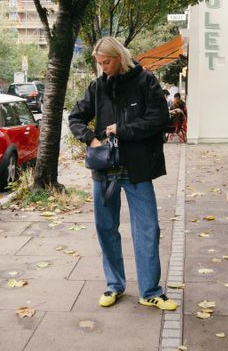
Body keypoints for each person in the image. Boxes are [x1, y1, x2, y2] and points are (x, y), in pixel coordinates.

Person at [69, 37, 177, 311]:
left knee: (148, 229)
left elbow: (159, 118)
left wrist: (124, 129)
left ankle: (150, 291)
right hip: (105, 171)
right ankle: (114, 286)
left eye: (107, 62)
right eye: (100, 63)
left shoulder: (145, 81)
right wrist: (92, 139)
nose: (103, 67)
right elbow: (75, 118)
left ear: (119, 56)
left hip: (137, 170)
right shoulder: (98, 87)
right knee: (106, 229)